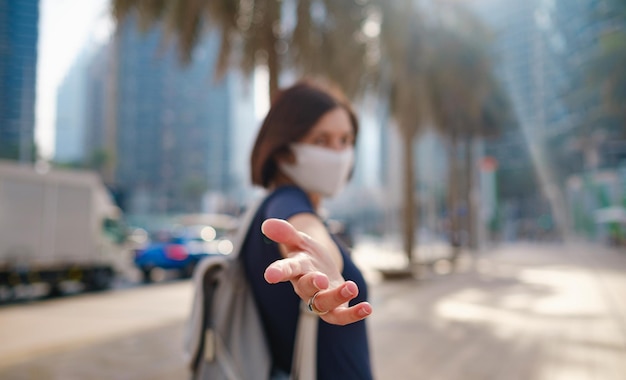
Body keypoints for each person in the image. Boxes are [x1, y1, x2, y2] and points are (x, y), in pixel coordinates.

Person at [242, 79, 374, 379]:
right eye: (321, 140)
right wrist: (318, 262)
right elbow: (302, 230)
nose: (338, 153)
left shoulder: (283, 205)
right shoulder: (285, 201)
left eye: (345, 140)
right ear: (283, 150)